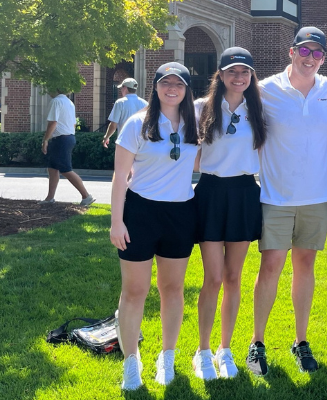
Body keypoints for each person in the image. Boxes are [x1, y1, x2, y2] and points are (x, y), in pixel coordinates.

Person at [246, 26, 327, 376]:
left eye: (317, 53)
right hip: (276, 197)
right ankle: (257, 342)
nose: (310, 58)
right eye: (305, 51)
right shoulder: (266, 89)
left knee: (305, 268)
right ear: (291, 52)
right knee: (270, 267)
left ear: (323, 58)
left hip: (317, 197)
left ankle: (301, 342)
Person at [110, 62, 199, 390]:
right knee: (135, 291)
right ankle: (131, 362)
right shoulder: (137, 123)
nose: (172, 88)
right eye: (166, 82)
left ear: (187, 88)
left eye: (179, 83)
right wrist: (116, 222)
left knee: (172, 289)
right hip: (140, 213)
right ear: (156, 86)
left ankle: (168, 355)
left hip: (180, 213)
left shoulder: (195, 123)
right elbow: (120, 177)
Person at [192, 47, 266, 380]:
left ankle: (226, 349)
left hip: (245, 194)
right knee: (214, 277)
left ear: (251, 77)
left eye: (245, 72)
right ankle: (203, 350)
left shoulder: (259, 110)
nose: (239, 78)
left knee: (234, 277)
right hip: (210, 193)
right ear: (220, 75)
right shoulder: (200, 108)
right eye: (232, 71)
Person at [39, 90, 95, 205]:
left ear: (56, 88)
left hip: (61, 139)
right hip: (68, 137)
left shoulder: (56, 101)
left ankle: (86, 196)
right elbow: (73, 123)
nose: (48, 89)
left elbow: (53, 122)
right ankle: (49, 198)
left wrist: (45, 140)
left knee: (66, 169)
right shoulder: (69, 102)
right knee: (52, 168)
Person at [102, 78, 148, 148]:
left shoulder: (120, 103)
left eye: (121, 88)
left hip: (125, 142)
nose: (120, 90)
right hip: (142, 143)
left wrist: (106, 137)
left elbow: (113, 125)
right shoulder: (145, 103)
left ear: (125, 88)